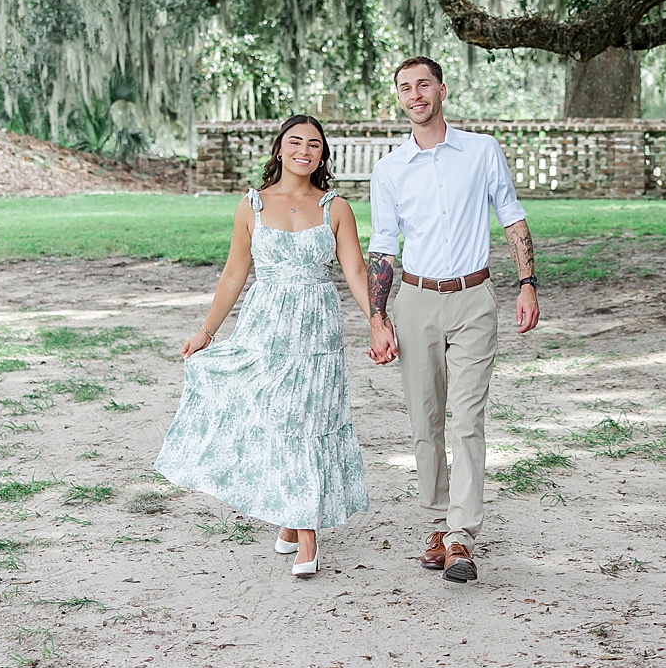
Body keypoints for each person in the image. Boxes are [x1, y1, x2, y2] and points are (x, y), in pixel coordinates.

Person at [156, 114, 393, 577]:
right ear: (280, 149)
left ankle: (305, 535)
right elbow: (233, 273)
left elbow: (356, 273)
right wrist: (207, 331)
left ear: (323, 154)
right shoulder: (253, 206)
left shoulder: (335, 208)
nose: (304, 150)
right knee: (280, 418)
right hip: (265, 329)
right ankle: (295, 521)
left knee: (308, 419)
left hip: (317, 330)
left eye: (314, 144)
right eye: (295, 141)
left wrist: (379, 321)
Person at [366, 56, 539, 584]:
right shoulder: (390, 169)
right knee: (426, 423)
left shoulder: (482, 151)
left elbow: (510, 215)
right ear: (398, 98)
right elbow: (382, 248)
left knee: (466, 420)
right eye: (404, 88)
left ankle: (461, 534)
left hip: (473, 298)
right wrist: (378, 318)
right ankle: (442, 522)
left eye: (423, 85)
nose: (415, 95)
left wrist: (528, 283)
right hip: (415, 301)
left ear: (442, 89)